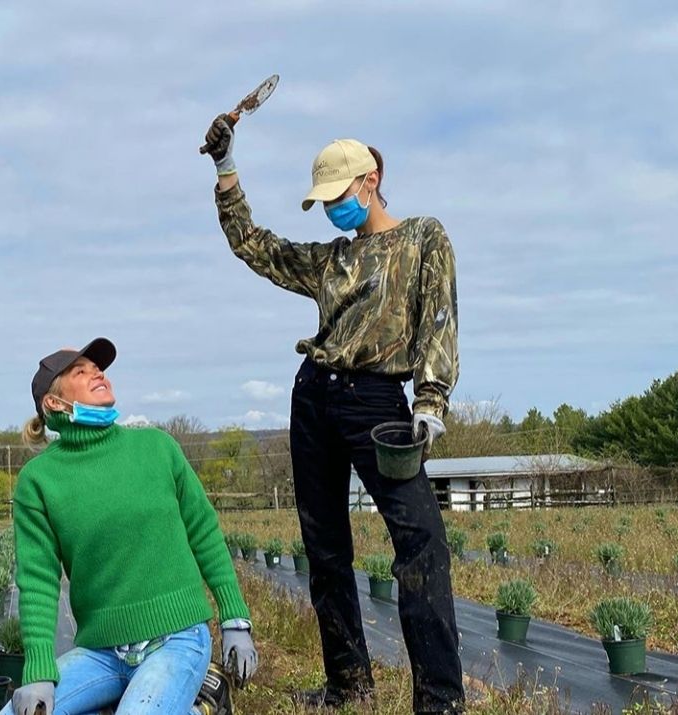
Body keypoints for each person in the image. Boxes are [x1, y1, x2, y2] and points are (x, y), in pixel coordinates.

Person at [201, 115, 464, 714]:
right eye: (323, 203)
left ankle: (440, 700)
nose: (331, 211)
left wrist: (429, 402)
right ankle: (348, 683)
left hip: (378, 406)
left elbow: (439, 323)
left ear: (370, 181)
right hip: (315, 396)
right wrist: (225, 170)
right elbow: (256, 247)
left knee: (421, 543)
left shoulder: (423, 238)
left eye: (339, 197)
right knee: (324, 548)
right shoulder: (329, 262)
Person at [3, 338, 257, 715]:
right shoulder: (38, 480)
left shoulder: (157, 448)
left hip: (178, 637)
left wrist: (236, 619)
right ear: (54, 403)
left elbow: (204, 533)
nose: (98, 373)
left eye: (98, 368)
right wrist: (38, 670)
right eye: (81, 371)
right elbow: (37, 580)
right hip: (101, 653)